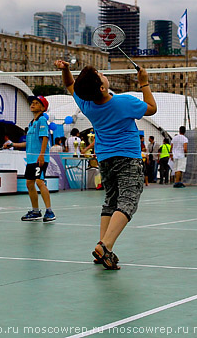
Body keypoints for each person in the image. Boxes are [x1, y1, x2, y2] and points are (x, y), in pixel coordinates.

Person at [56, 59, 157, 270]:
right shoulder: (124, 102)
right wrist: (144, 82)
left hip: (104, 158)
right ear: (102, 87)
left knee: (111, 201)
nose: (103, 74)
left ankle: (103, 251)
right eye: (101, 75)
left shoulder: (87, 104)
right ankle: (105, 245)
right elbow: (152, 108)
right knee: (128, 200)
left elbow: (69, 85)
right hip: (128, 157)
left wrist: (66, 70)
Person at [10, 96, 55, 222]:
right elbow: (27, 144)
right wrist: (12, 144)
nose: (33, 105)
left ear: (43, 108)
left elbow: (45, 138)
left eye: (36, 103)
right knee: (29, 183)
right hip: (30, 159)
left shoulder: (42, 121)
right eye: (32, 103)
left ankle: (49, 211)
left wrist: (41, 155)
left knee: (39, 182)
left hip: (39, 159)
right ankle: (36, 211)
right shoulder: (31, 123)